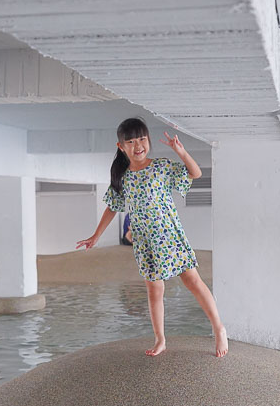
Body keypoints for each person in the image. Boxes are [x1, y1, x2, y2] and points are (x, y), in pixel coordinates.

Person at [77, 117, 228, 358]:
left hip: (169, 235)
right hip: (145, 242)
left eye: (142, 139)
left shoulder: (161, 166)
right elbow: (112, 207)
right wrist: (96, 236)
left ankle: (218, 328)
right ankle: (160, 339)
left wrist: (180, 151)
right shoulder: (122, 177)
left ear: (147, 140)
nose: (138, 145)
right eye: (131, 141)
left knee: (193, 282)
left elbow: (196, 173)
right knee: (154, 291)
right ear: (121, 147)